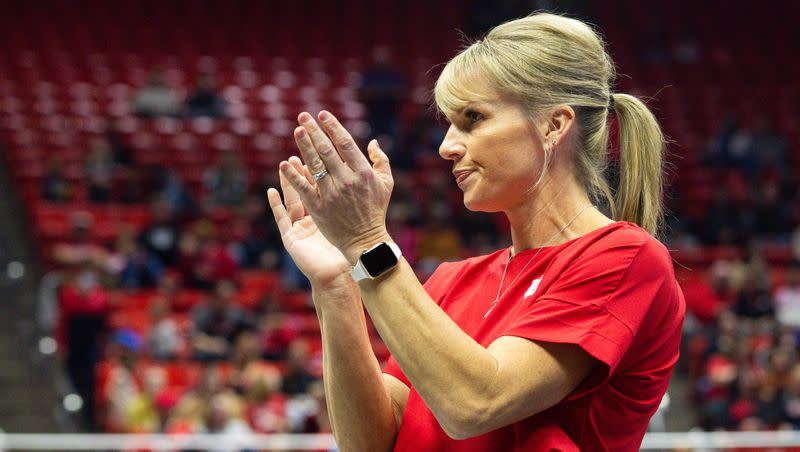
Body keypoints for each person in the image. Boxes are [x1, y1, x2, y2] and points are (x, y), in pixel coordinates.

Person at [267, 13, 685, 451]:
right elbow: (370, 442)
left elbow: (475, 404)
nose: (447, 146)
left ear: (553, 125)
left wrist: (369, 244)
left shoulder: (626, 257)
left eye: (473, 119)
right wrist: (336, 285)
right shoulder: (451, 280)